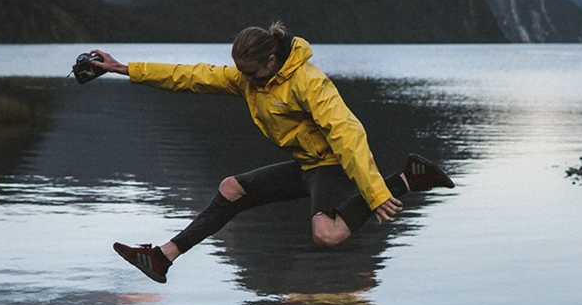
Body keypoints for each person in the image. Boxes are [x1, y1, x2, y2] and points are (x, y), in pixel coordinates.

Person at [91, 22, 454, 283]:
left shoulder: (308, 82)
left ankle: (406, 179)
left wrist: (375, 193)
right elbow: (192, 76)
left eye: (250, 72)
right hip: (307, 165)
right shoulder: (249, 78)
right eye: (240, 72)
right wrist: (122, 69)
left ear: (271, 60)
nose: (244, 79)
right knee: (233, 188)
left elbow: (347, 133)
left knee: (326, 234)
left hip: (334, 165)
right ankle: (161, 258)